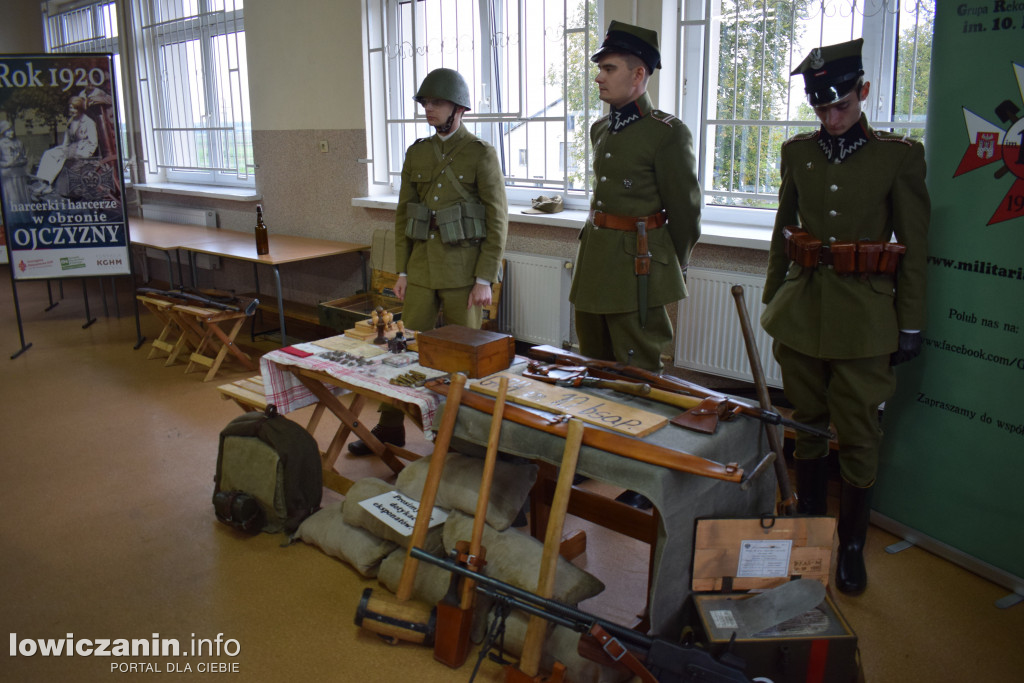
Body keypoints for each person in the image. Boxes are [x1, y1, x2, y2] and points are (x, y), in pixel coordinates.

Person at [760, 39, 929, 595]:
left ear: (864, 92)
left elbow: (916, 245)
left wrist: (910, 323)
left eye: (842, 106)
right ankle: (809, 530)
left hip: (865, 319)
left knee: (858, 433)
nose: (831, 119)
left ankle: (852, 545)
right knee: (805, 422)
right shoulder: (798, 152)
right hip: (803, 310)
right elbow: (784, 231)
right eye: (821, 109)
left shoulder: (898, 157)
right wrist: (773, 296)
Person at [347, 68, 508, 455]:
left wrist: (484, 277)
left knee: (461, 357)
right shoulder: (417, 152)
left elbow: (497, 218)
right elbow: (404, 214)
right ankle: (389, 426)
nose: (429, 109)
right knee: (401, 349)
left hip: (463, 273)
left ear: (459, 108)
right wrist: (402, 270)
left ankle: (462, 440)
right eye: (425, 103)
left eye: (437, 102)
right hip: (420, 269)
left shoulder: (479, 153)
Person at [569, 20, 701, 374]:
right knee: (592, 364)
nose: (599, 77)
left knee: (636, 368)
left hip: (636, 270)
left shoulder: (667, 133)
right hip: (594, 263)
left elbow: (685, 213)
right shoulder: (602, 129)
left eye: (609, 69)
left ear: (638, 73)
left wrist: (667, 266)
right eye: (600, 68)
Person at [33, 96, 99, 197]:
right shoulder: (71, 121)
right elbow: (67, 139)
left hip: (81, 150)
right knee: (49, 154)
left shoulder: (89, 122)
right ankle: (43, 182)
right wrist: (63, 148)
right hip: (71, 147)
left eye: (74, 108)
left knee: (63, 158)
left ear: (80, 108)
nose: (71, 110)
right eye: (70, 108)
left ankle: (50, 185)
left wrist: (85, 155)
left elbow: (93, 143)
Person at [0, 120, 32, 207]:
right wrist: (7, 164)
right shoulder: (1, 144)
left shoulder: (19, 142)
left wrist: (21, 161)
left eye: (12, 129)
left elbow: (24, 157)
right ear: (3, 132)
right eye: (8, 130)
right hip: (7, 174)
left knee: (21, 195)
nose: (11, 132)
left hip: (19, 172)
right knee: (12, 196)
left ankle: (24, 216)